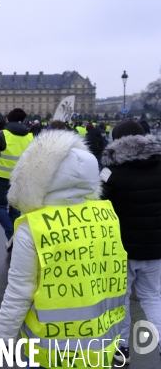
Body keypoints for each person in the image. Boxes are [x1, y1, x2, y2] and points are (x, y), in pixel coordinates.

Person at [0, 130, 127, 368]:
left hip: (48, 348)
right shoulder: (106, 216)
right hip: (99, 344)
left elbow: (19, 291)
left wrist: (3, 338)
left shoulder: (33, 226)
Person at [99, 121, 161, 365]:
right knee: (153, 297)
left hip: (120, 249)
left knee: (120, 300)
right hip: (155, 246)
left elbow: (99, 206)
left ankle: (121, 348)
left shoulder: (110, 172)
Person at [0, 108, 33, 252]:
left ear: (9, 120)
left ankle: (11, 235)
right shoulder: (30, 136)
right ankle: (15, 242)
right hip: (22, 179)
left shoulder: (2, 135)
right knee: (15, 211)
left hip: (2, 177)